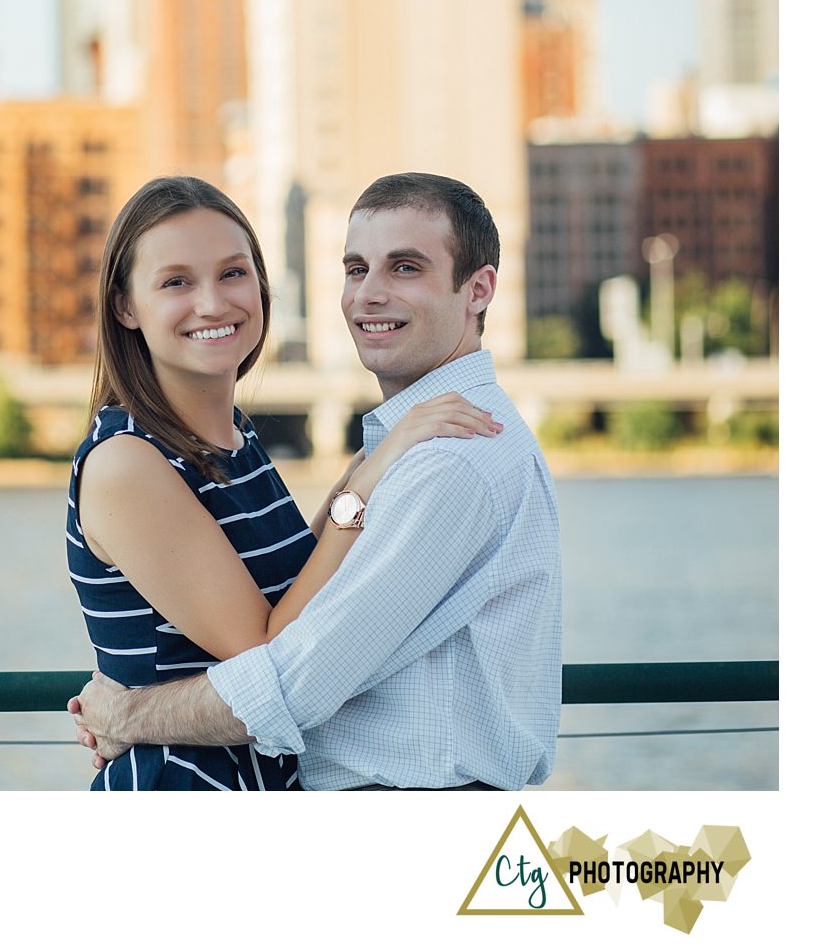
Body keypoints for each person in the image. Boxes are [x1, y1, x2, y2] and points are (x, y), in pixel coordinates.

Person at [70, 171, 563, 791]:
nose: (213, 302)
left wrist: (129, 715)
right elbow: (274, 644)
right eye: (357, 269)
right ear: (125, 306)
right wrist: (360, 481)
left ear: (479, 289)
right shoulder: (129, 462)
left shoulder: (440, 456)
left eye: (404, 268)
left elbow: (291, 651)